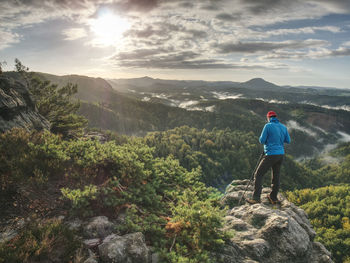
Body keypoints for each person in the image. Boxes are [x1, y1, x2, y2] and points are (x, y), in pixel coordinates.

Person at [246, 111, 291, 205]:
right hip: (280, 155)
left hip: (270, 154)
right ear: (276, 117)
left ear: (268, 117)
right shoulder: (283, 127)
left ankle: (256, 198)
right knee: (276, 176)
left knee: (258, 174)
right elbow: (288, 140)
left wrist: (270, 140)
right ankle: (273, 197)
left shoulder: (268, 126)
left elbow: (262, 140)